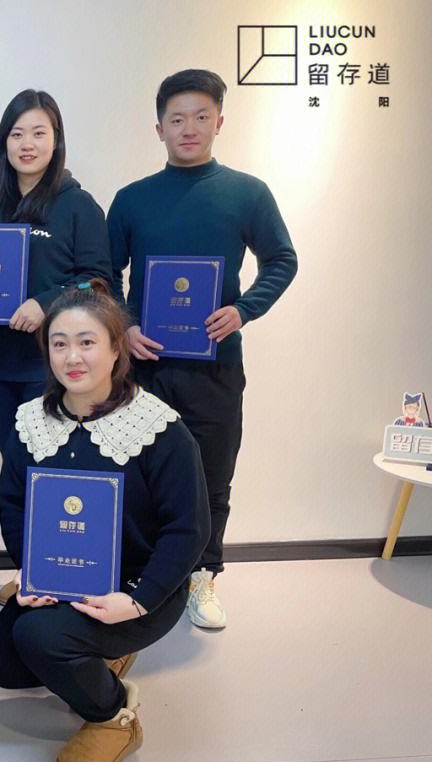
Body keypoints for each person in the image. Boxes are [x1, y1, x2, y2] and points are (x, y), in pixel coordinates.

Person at [0, 280, 210, 762]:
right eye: (59, 343)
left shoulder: (159, 428)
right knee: (3, 663)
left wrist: (138, 601)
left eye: (87, 342)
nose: (72, 357)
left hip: (139, 587)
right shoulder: (31, 421)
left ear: (115, 348)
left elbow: (188, 530)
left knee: (40, 638)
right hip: (59, 577)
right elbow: (14, 504)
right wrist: (30, 571)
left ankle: (114, 716)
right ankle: (96, 654)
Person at [107, 68, 298, 628]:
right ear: (159, 129)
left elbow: (281, 260)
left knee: (212, 476)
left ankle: (202, 577)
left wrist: (243, 309)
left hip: (216, 367)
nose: (188, 128)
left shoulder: (246, 193)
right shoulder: (132, 199)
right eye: (176, 119)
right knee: (136, 473)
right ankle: (138, 574)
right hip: (144, 368)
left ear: (219, 122)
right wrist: (125, 327)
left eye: (200, 117)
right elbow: (103, 275)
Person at [0, 89, 110, 452]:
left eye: (38, 133)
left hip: (52, 365)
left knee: (49, 464)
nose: (27, 144)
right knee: (13, 463)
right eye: (17, 134)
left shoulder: (78, 205)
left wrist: (45, 304)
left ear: (56, 140)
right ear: (4, 143)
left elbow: (97, 282)